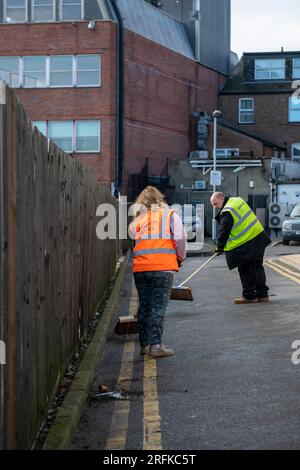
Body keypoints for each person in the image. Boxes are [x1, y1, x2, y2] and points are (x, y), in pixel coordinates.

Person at [129, 186, 187, 357]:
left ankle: (145, 345)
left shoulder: (137, 221)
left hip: (140, 270)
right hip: (162, 269)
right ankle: (156, 345)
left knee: (144, 307)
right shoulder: (169, 214)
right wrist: (180, 257)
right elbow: (180, 238)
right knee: (158, 307)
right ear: (159, 198)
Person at [210, 192, 271, 304]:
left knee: (246, 270)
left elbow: (223, 231)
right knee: (257, 267)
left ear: (222, 198)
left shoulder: (227, 211)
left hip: (246, 243)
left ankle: (249, 296)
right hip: (258, 237)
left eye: (216, 204)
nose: (215, 207)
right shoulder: (238, 200)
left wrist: (219, 247)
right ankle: (263, 295)